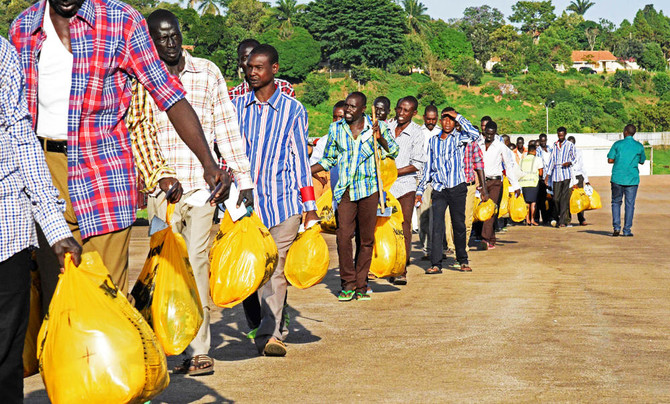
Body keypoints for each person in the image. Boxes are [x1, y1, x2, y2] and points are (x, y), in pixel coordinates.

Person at [10, 0, 230, 312]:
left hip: (105, 171)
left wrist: (209, 162)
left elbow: (168, 94)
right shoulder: (23, 27)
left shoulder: (121, 21)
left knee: (107, 299)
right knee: (57, 300)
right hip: (45, 174)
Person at [134, 10, 254, 375]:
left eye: (175, 36)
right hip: (161, 192)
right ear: (151, 42)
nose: (170, 45)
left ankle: (200, 349)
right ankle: (167, 343)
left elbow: (225, 125)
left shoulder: (207, 72)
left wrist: (243, 178)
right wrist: (159, 176)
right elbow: (140, 130)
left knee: (197, 263)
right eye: (161, 39)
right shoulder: (142, 78)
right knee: (164, 267)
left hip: (203, 189)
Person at [0, 36, 82, 404]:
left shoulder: (2, 53)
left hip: (7, 227)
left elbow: (21, 137)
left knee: (5, 357)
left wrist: (54, 226)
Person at [233, 45, 318, 356]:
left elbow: (299, 160)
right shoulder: (236, 107)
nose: (252, 73)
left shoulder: (294, 110)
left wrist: (309, 207)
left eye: (259, 67)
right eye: (249, 67)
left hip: (283, 205)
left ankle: (272, 334)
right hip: (245, 208)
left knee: (276, 271)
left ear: (275, 70)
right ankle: (261, 322)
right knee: (251, 271)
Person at [312, 92, 399, 301]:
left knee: (366, 239)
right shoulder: (336, 129)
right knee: (343, 236)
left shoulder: (377, 127)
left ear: (362, 109)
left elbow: (393, 151)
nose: (348, 110)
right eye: (347, 106)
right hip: (345, 190)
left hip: (369, 190)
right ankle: (347, 283)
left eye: (352, 107)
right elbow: (328, 159)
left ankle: (361, 285)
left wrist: (381, 138)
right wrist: (306, 171)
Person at [416, 108, 483, 273]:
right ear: (440, 121)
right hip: (439, 189)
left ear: (455, 123)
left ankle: (462, 260)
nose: (447, 122)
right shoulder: (433, 141)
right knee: (437, 226)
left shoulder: (460, 138)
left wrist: (459, 116)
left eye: (451, 120)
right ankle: (436, 264)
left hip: (457, 187)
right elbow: (428, 168)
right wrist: (419, 191)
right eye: (445, 119)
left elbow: (476, 135)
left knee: (458, 225)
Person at [387, 96, 426, 285]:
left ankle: (401, 269)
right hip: (383, 187)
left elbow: (417, 164)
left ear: (414, 113)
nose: (401, 114)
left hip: (405, 187)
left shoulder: (417, 133)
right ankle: (381, 265)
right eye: (399, 109)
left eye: (406, 110)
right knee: (381, 225)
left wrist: (392, 172)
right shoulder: (385, 127)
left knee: (403, 227)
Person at [445, 125, 488, 255]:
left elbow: (479, 164)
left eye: (458, 124)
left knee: (466, 219)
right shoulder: (444, 141)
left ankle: (462, 247)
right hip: (449, 185)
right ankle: (451, 246)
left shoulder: (472, 142)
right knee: (448, 218)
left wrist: (483, 188)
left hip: (468, 185)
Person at [479, 121, 520, 249]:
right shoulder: (479, 144)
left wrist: (516, 186)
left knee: (490, 209)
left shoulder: (501, 146)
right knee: (483, 210)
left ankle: (485, 239)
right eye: (487, 134)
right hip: (482, 182)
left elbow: (508, 166)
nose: (489, 136)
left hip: (496, 182)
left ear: (495, 132)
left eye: (492, 134)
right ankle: (491, 238)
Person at [607, 124, 646, 237]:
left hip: (617, 178)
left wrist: (619, 160)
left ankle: (616, 227)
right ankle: (627, 230)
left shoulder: (617, 144)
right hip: (632, 179)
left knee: (616, 202)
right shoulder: (639, 146)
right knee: (630, 204)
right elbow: (642, 161)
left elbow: (610, 160)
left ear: (625, 132)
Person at [228, 39, 295, 100]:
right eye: (245, 58)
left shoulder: (284, 88)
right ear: (239, 63)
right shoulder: (233, 96)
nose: (251, 62)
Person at [418, 104, 442, 258]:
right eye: (428, 119)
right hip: (422, 180)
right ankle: (426, 249)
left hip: (439, 180)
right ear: (424, 118)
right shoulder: (417, 133)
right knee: (424, 215)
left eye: (434, 119)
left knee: (439, 216)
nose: (431, 122)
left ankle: (438, 248)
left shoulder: (442, 133)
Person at [544, 127, 576, 228]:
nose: (560, 137)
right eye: (559, 135)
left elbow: (575, 158)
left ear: (565, 134)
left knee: (564, 198)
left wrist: (569, 162)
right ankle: (558, 216)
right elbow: (551, 160)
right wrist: (547, 176)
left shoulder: (570, 145)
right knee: (556, 198)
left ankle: (562, 221)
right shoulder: (555, 145)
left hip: (566, 174)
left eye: (562, 135)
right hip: (556, 175)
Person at [567, 136, 590, 226]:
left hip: (579, 176)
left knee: (580, 197)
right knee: (568, 198)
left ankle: (581, 218)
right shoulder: (564, 153)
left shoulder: (579, 152)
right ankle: (567, 219)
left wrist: (586, 179)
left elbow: (582, 166)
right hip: (568, 177)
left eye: (572, 143)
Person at [518, 141, 543, 226]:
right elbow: (540, 173)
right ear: (534, 151)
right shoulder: (538, 159)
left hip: (524, 183)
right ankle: (532, 219)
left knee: (526, 202)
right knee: (533, 202)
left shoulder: (522, 160)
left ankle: (527, 219)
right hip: (533, 183)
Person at [535, 133, 554, 225]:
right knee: (541, 199)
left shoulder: (550, 149)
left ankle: (549, 217)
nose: (543, 142)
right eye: (541, 141)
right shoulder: (537, 151)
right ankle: (539, 218)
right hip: (541, 178)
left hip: (551, 177)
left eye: (544, 141)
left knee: (550, 198)